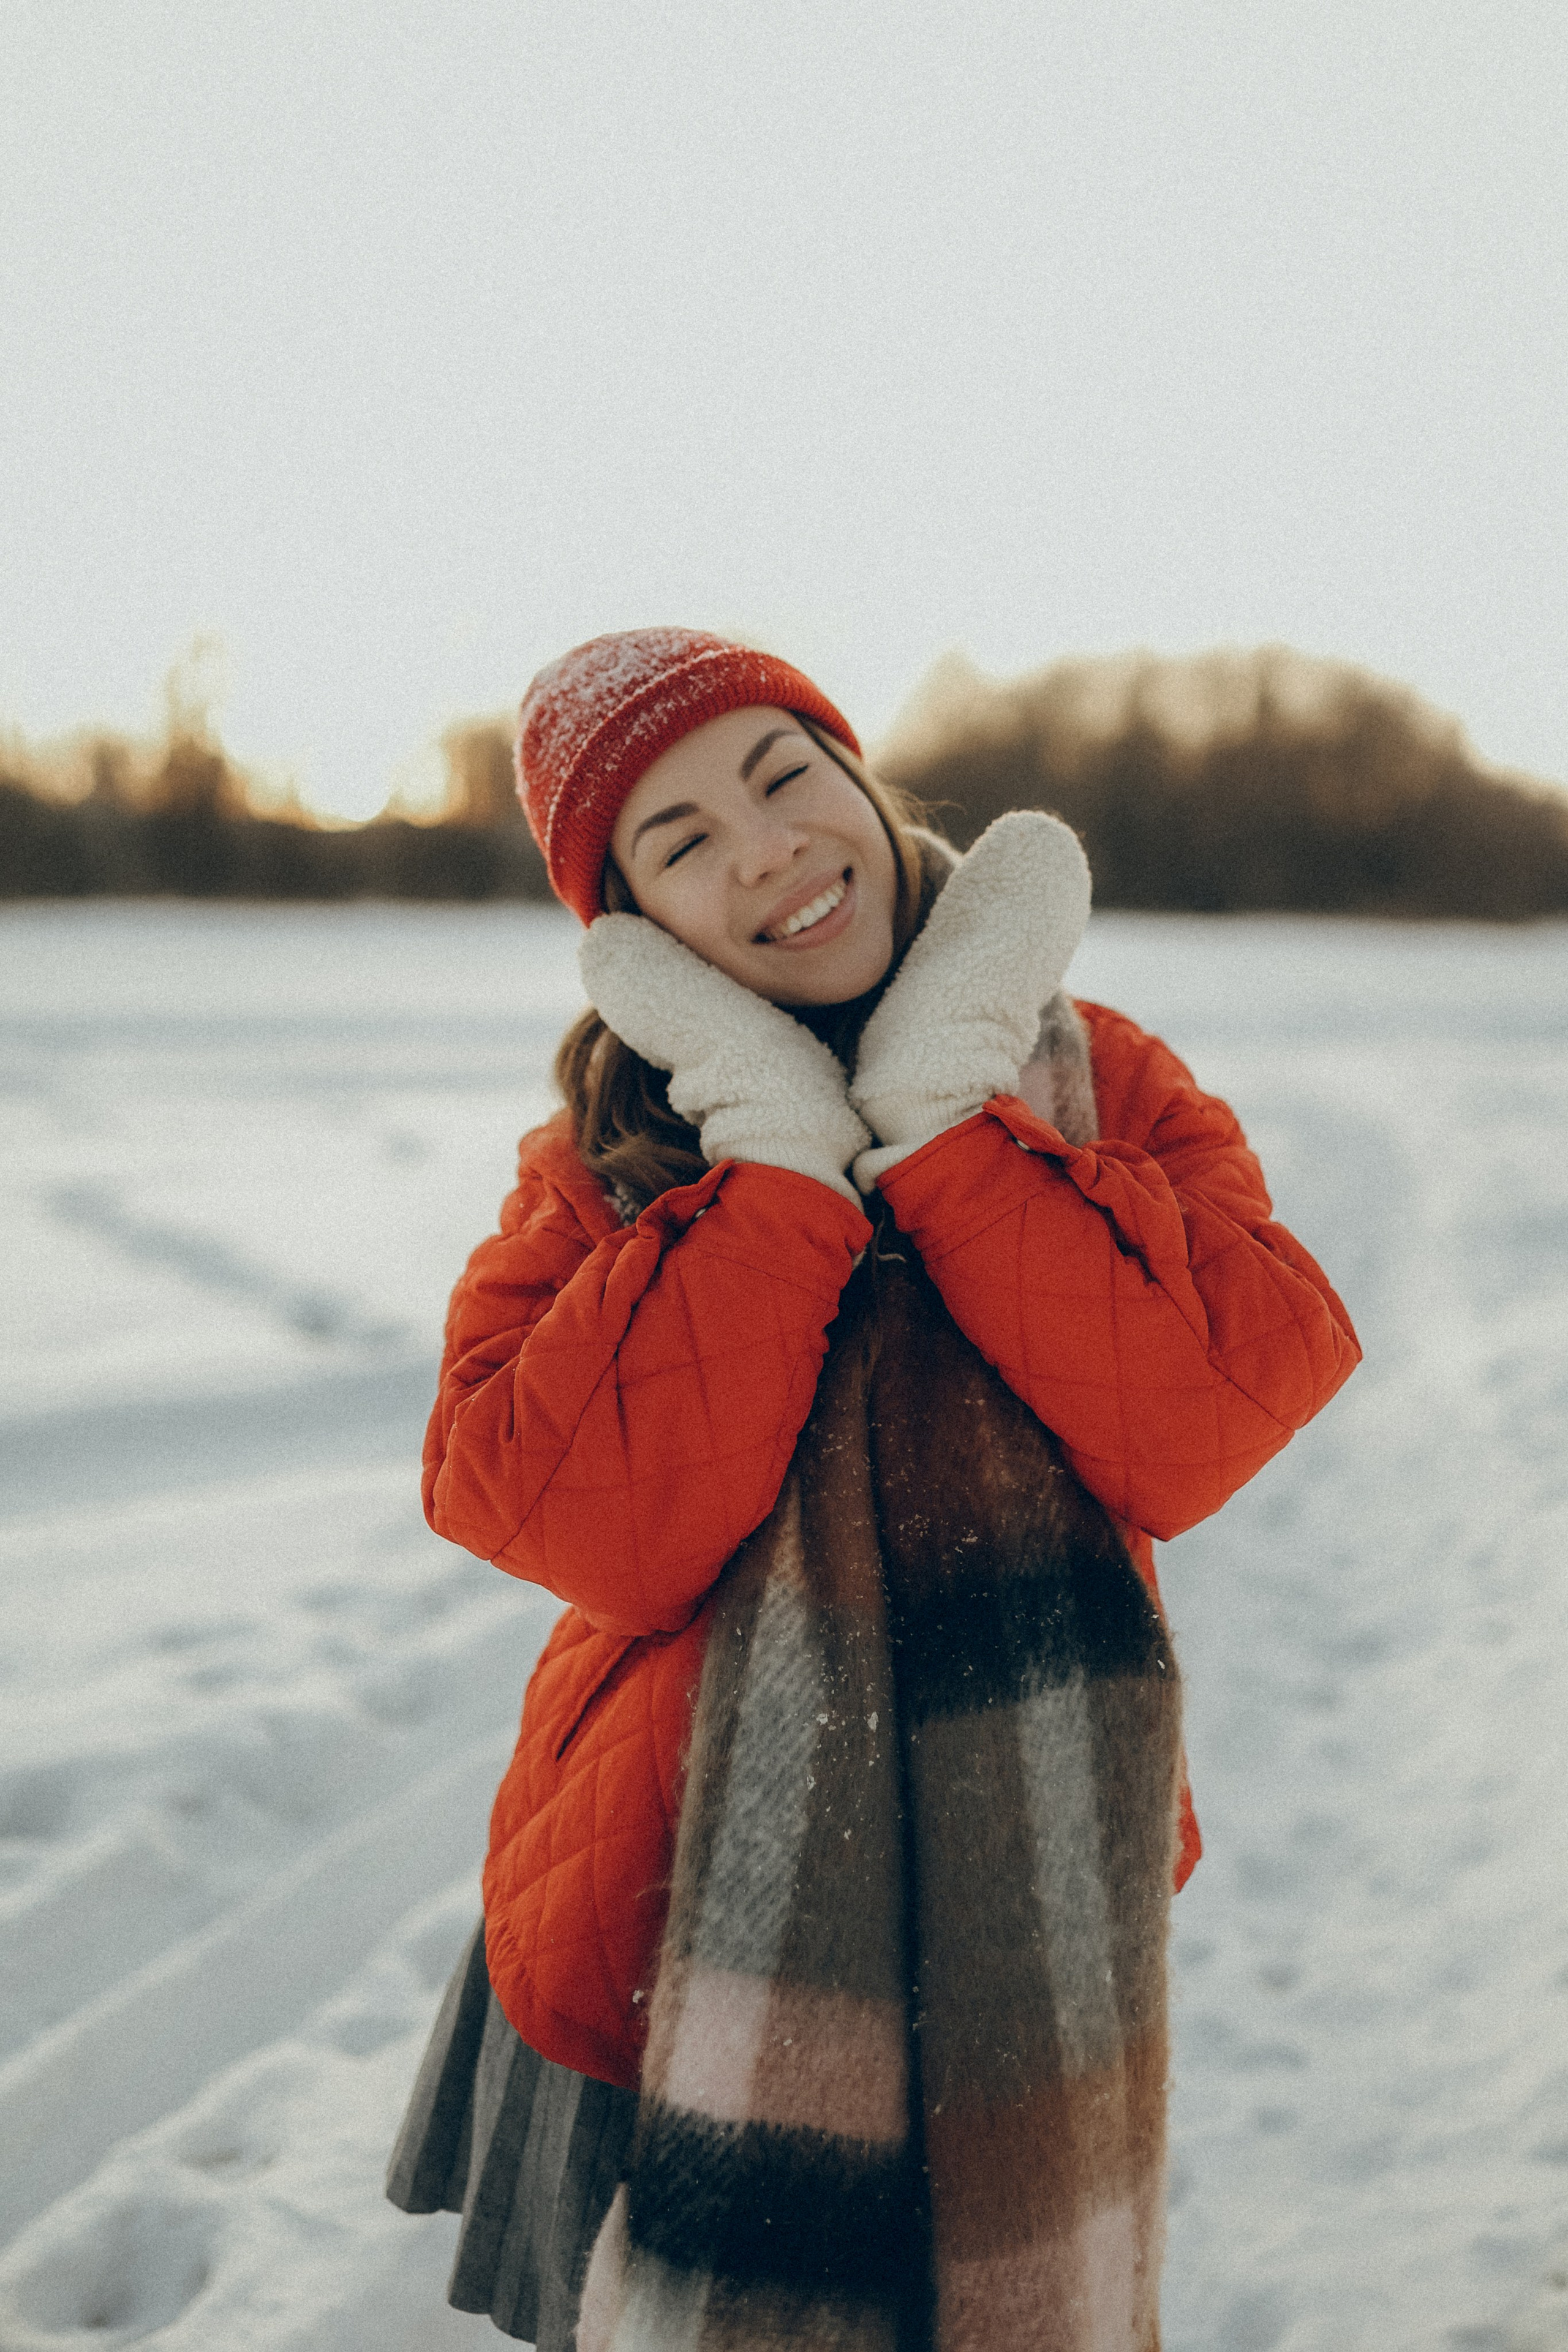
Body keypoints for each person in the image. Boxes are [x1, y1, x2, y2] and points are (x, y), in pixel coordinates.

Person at [387, 627, 1360, 2351]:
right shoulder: (608, 1159)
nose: (766, 848)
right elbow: (592, 1530)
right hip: (669, 1925)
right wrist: (769, 1163)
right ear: (632, 936)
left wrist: (953, 1136)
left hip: (1018, 1923)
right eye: (680, 841)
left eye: (784, 776)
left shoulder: (1104, 1084)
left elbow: (1210, 1418)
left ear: (859, 780)